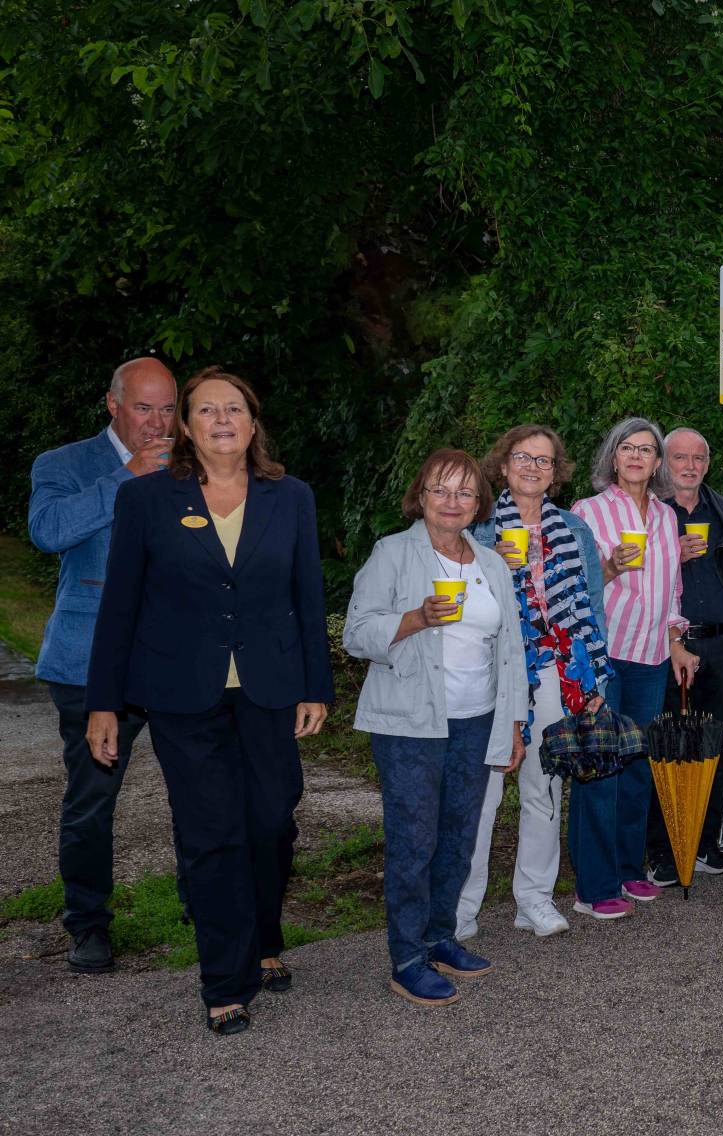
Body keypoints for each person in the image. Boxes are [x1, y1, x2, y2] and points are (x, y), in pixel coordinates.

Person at [86, 367, 332, 1034]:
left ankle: (267, 937)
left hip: (271, 689)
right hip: (181, 694)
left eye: (234, 409)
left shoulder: (291, 498)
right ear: (186, 427)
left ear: (253, 423)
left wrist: (317, 684)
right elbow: (120, 607)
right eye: (206, 410)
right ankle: (226, 978)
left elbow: (307, 596)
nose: (222, 419)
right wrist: (103, 703)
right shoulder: (144, 501)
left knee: (271, 822)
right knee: (211, 832)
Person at [346, 449, 527, 1005]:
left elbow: (512, 648)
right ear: (420, 496)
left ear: (479, 504)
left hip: (477, 719)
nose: (453, 502)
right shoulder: (393, 553)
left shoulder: (491, 563)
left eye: (465, 493)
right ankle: (406, 957)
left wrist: (514, 722)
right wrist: (417, 618)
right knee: (413, 839)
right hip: (411, 723)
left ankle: (441, 937)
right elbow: (356, 633)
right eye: (440, 490)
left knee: (459, 836)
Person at [29, 357, 177, 974]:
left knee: (203, 789)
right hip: (88, 663)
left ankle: (207, 907)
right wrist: (127, 476)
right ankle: (88, 924)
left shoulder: (192, 466)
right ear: (111, 404)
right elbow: (48, 531)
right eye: (144, 408)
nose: (157, 423)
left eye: (168, 409)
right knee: (91, 801)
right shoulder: (62, 465)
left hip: (173, 657)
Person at [455, 426, 615, 940]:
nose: (533, 467)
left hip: (556, 673)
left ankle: (534, 899)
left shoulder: (574, 529)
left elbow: (591, 604)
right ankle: (461, 907)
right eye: (523, 457)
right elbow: (456, 605)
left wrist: (593, 677)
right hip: (491, 668)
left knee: (544, 786)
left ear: (555, 473)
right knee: (482, 790)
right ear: (502, 465)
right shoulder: (475, 529)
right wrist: (491, 568)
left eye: (544, 461)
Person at [570, 417, 695, 916]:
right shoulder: (588, 512)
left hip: (652, 656)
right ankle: (593, 886)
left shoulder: (666, 517)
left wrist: (676, 640)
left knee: (637, 767)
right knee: (600, 765)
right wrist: (610, 567)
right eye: (628, 448)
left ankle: (627, 868)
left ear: (658, 462)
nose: (638, 456)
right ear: (613, 457)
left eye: (647, 449)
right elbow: (573, 589)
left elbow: (672, 590)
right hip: (604, 656)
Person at [660, 426, 723, 879]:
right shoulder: (652, 511)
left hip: (719, 641)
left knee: (713, 746)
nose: (690, 466)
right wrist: (670, 553)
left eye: (698, 458)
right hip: (667, 642)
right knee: (669, 746)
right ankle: (663, 850)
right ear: (663, 463)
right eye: (680, 458)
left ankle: (706, 843)